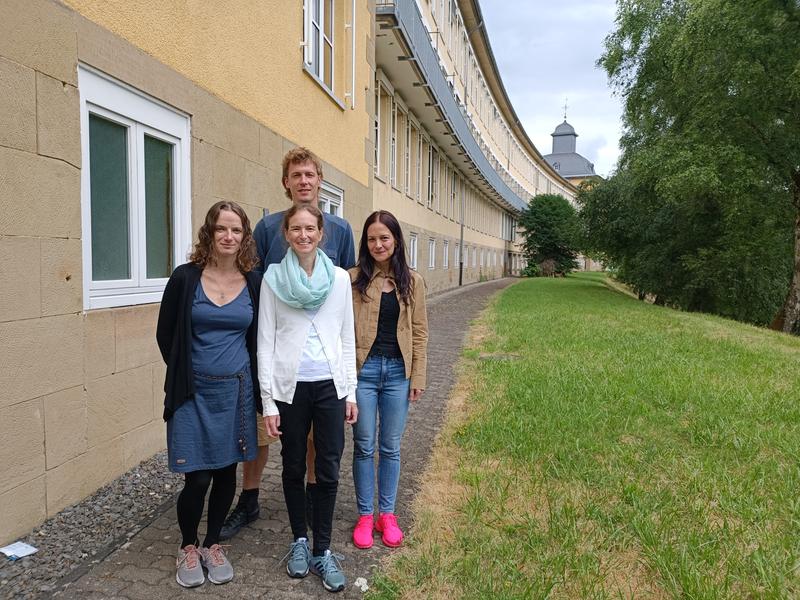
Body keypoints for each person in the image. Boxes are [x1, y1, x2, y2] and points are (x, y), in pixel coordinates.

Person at [220, 147, 355, 540]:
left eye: (310, 174)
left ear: (319, 180)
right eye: (296, 175)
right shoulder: (267, 228)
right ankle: (249, 498)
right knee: (264, 426)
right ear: (286, 183)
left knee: (316, 436)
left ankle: (314, 498)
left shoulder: (340, 229)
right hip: (273, 343)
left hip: (320, 358)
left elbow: (341, 288)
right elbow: (254, 283)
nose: (304, 181)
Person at [156, 201, 262, 588]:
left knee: (226, 472)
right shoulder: (185, 278)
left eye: (236, 230)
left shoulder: (254, 281)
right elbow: (165, 334)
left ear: (244, 236)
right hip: (192, 393)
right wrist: (186, 370)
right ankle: (188, 545)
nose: (229, 237)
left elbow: (259, 338)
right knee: (197, 478)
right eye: (222, 229)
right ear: (210, 233)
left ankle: (213, 543)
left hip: (235, 391)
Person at [258, 204, 357, 593]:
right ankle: (299, 540)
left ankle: (324, 548)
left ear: (321, 234)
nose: (303, 235)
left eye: (310, 229)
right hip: (290, 387)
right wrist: (268, 401)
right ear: (286, 233)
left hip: (330, 386)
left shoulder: (338, 280)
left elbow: (346, 337)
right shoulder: (272, 279)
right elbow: (265, 343)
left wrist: (349, 390)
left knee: (329, 467)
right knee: (294, 464)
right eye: (296, 228)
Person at [349, 210, 428, 549]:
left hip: (398, 373)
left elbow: (421, 332)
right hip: (362, 373)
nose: (378, 244)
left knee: (390, 447)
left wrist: (417, 375)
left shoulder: (413, 281)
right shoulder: (353, 280)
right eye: (372, 238)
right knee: (364, 445)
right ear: (365, 244)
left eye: (384, 237)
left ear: (396, 241)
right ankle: (366, 516)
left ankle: (388, 514)